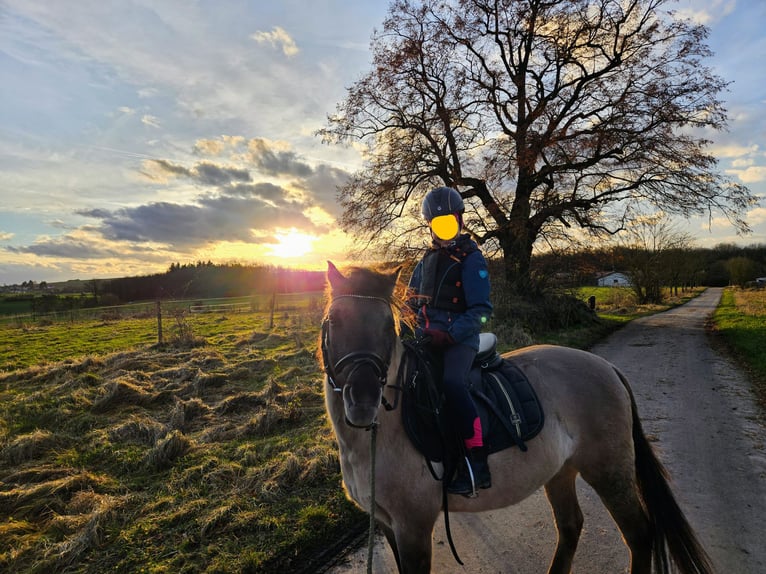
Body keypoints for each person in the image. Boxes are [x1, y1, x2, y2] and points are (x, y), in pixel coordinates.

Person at [407, 186, 493, 497]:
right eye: (437, 223)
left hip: (461, 341)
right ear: (430, 225)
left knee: (453, 384)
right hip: (426, 339)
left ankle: (477, 464)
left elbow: (482, 311)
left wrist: (451, 334)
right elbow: (410, 302)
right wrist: (410, 322)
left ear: (458, 219)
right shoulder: (425, 261)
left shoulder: (472, 260)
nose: (443, 228)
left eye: (449, 221)